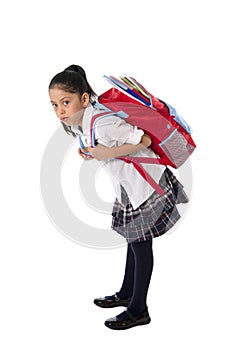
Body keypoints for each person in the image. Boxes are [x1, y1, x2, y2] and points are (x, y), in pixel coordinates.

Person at [48, 65, 189, 330]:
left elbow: (144, 140)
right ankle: (127, 294)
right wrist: (94, 152)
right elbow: (109, 148)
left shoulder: (104, 123)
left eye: (66, 102)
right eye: (55, 105)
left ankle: (139, 310)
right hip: (131, 188)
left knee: (141, 246)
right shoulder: (88, 120)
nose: (60, 111)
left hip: (146, 187)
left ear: (85, 98)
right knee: (132, 239)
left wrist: (103, 154)